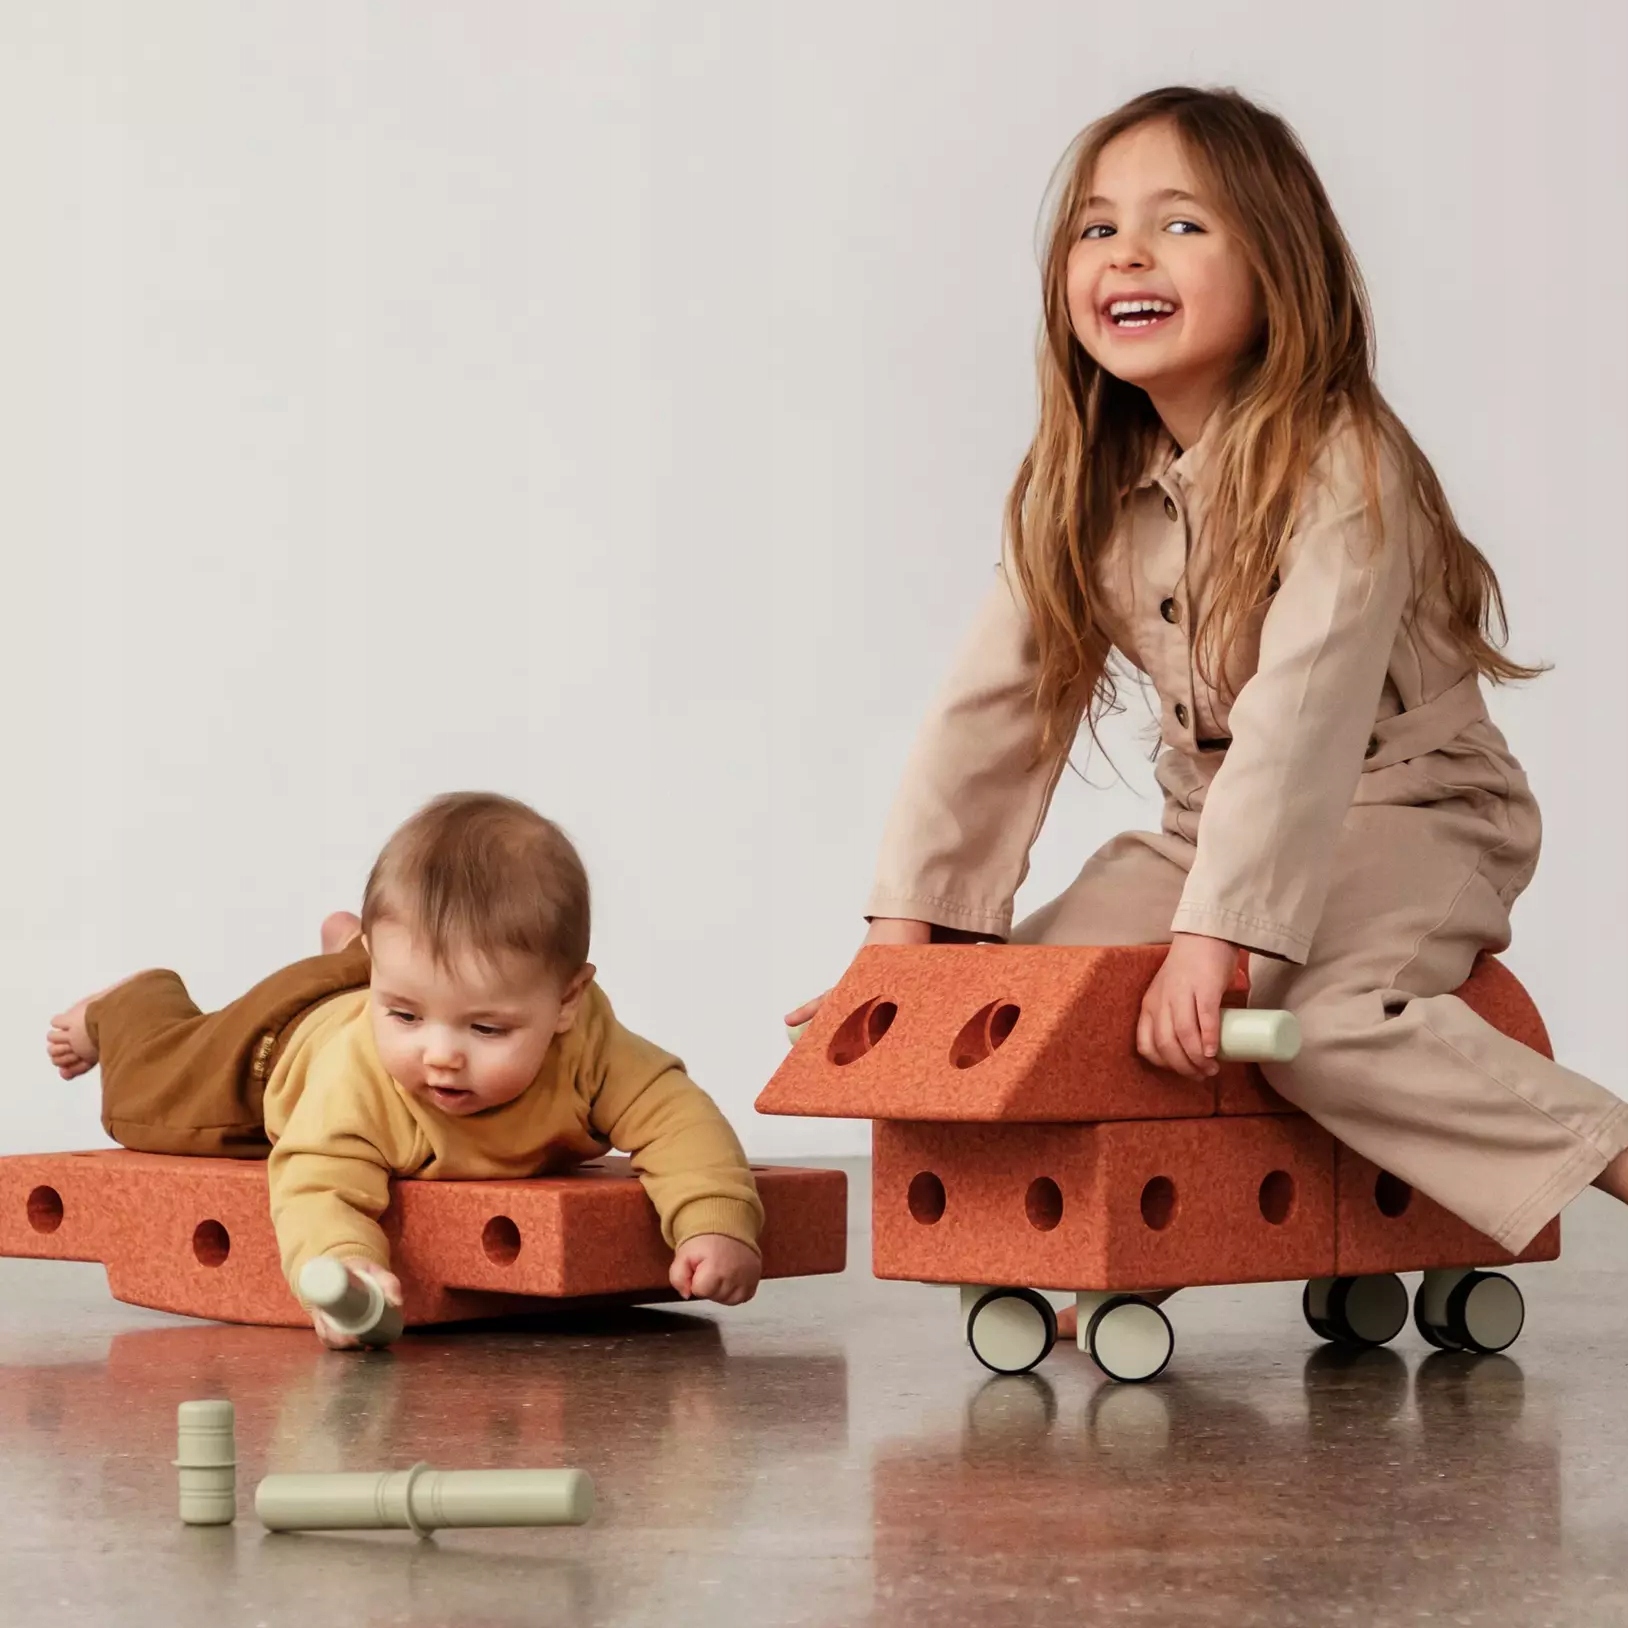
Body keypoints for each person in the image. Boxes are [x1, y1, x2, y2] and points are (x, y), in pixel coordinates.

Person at [788, 85, 1628, 1259]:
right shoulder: (1082, 480)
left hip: (1414, 811)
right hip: (1207, 830)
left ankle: (1609, 1150)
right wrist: (905, 939)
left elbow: (1299, 722)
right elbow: (992, 708)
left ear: (1277, 268)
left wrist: (1217, 938)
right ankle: (1114, 1243)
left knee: (1319, 1026)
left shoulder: (1349, 468)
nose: (1126, 252)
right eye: (1096, 227)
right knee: (1032, 1002)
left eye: (1178, 223)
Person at [48, 791, 764, 1346]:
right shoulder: (359, 1083)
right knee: (148, 1093)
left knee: (409, 983)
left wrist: (715, 1223)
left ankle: (350, 953)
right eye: (408, 1018)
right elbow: (314, 1182)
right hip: (271, 1052)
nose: (440, 1055)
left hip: (373, 977)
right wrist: (341, 1265)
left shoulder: (593, 1047)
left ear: (567, 1002)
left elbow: (678, 1119)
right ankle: (129, 1003)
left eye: (486, 1028)